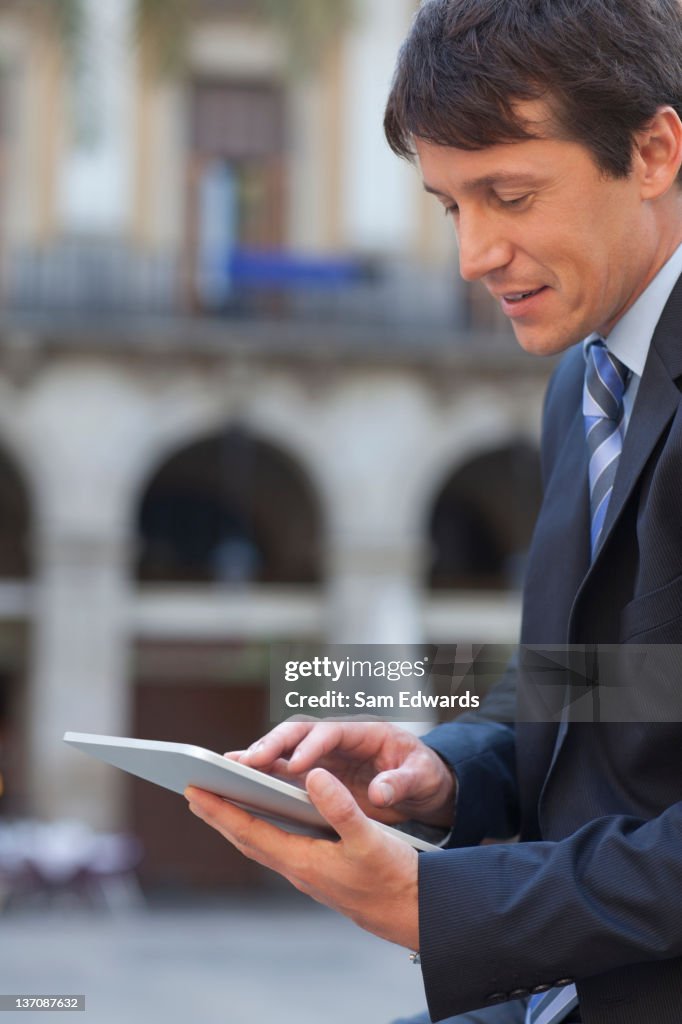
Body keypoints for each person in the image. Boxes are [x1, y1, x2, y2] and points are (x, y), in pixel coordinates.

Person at [184, 1, 682, 1021]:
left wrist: (450, 903)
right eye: (452, 207)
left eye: (509, 194)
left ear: (653, 151)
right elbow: (609, 684)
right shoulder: (582, 385)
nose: (473, 255)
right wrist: (445, 768)